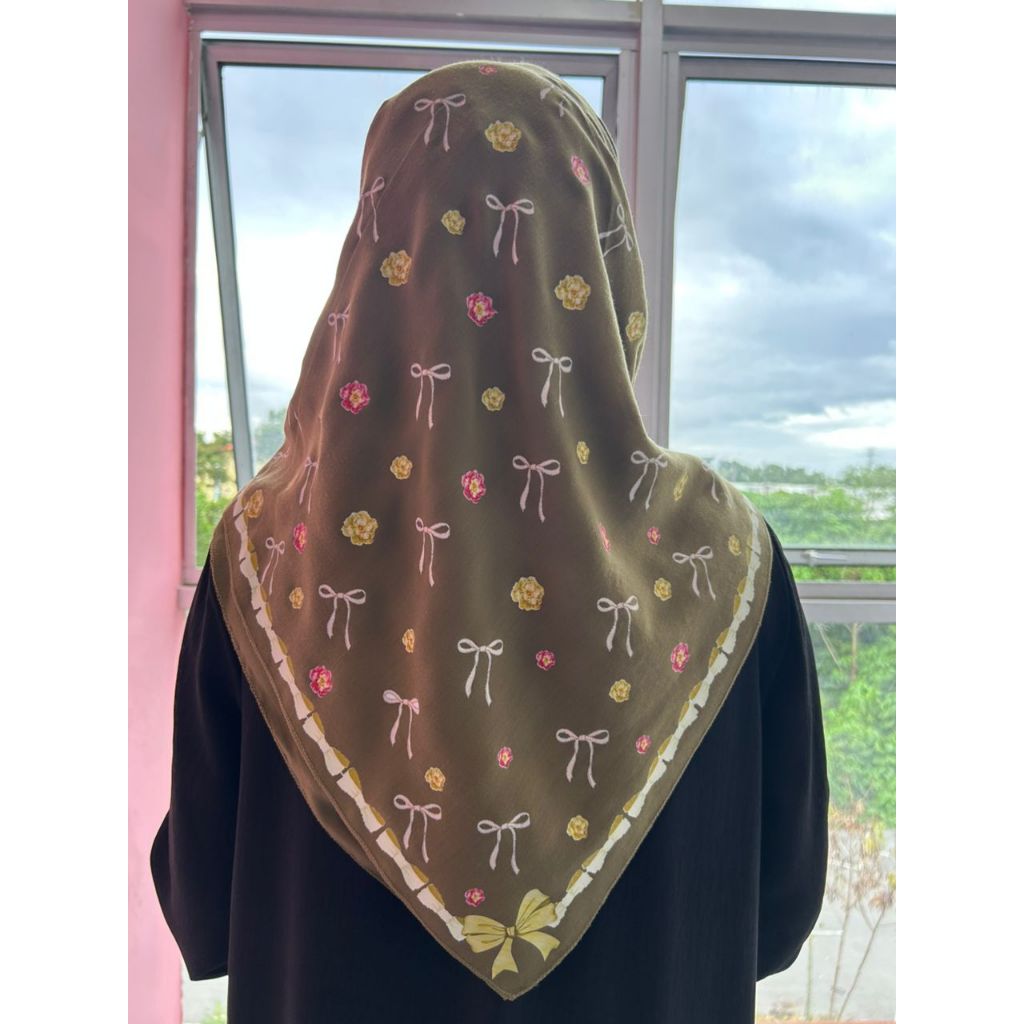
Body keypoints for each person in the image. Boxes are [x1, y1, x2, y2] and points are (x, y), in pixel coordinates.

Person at [151, 59, 828, 1023]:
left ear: (376, 250)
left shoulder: (265, 561)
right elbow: (779, 914)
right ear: (600, 262)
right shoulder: (728, 563)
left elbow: (201, 907)